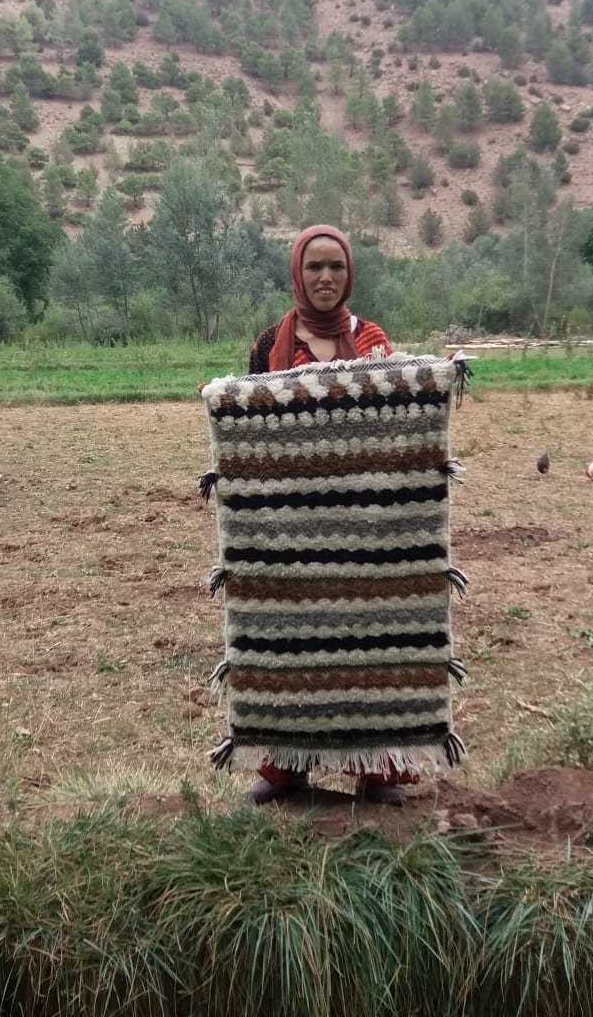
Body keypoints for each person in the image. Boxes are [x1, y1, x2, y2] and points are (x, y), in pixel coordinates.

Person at [242, 224, 412, 806]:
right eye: (314, 266)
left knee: (372, 639)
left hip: (365, 519)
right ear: (297, 272)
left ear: (349, 274)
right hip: (292, 519)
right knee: (292, 639)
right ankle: (286, 766)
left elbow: (394, 427)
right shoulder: (269, 344)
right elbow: (252, 431)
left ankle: (378, 770)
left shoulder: (372, 339)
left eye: (335, 267)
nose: (324, 277)